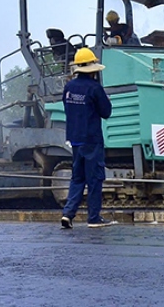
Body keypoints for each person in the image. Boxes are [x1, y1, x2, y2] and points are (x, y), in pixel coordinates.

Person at [59, 47, 115, 229]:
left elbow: (68, 109)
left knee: (77, 178)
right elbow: (106, 112)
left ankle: (68, 214)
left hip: (75, 139)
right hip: (92, 139)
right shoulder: (95, 88)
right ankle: (94, 218)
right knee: (94, 178)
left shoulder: (69, 87)